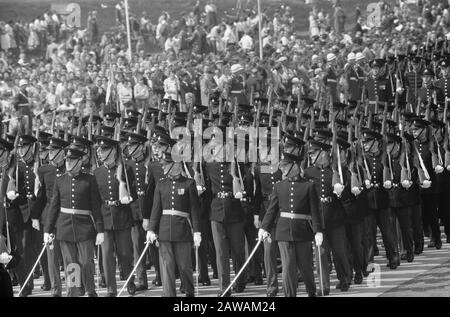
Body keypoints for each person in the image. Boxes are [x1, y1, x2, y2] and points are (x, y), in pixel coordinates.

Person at [259, 151, 323, 298]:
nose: (281, 168)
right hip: (284, 232)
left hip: (303, 231)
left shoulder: (308, 186)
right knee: (288, 267)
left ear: (295, 165)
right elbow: (272, 209)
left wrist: (318, 231)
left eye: (284, 165)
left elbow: (315, 211)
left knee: (305, 267)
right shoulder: (279, 186)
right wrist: (264, 227)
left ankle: (311, 291)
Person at [44, 147, 104, 297]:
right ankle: (74, 292)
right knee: (71, 264)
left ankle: (90, 291)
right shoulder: (60, 180)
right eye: (67, 160)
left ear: (80, 161)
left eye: (71, 160)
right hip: (64, 228)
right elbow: (54, 206)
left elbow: (96, 206)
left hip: (85, 227)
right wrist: (47, 230)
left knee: (86, 263)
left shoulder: (89, 179)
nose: (68, 163)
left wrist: (100, 230)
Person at [147, 150, 201, 297]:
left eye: (165, 165)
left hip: (182, 230)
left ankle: (189, 293)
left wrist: (197, 231)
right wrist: (151, 229)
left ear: (175, 165)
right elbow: (156, 209)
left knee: (184, 266)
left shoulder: (189, 183)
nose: (163, 168)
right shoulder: (161, 184)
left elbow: (194, 209)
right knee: (166, 268)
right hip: (164, 231)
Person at [93, 135, 137, 296]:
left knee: (125, 254)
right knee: (106, 256)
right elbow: (95, 199)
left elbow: (134, 193)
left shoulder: (126, 169)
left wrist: (128, 198)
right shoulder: (97, 172)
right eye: (99, 149)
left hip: (122, 217)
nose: (99, 152)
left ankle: (130, 281)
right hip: (104, 219)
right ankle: (111, 289)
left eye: (104, 149)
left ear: (113, 151)